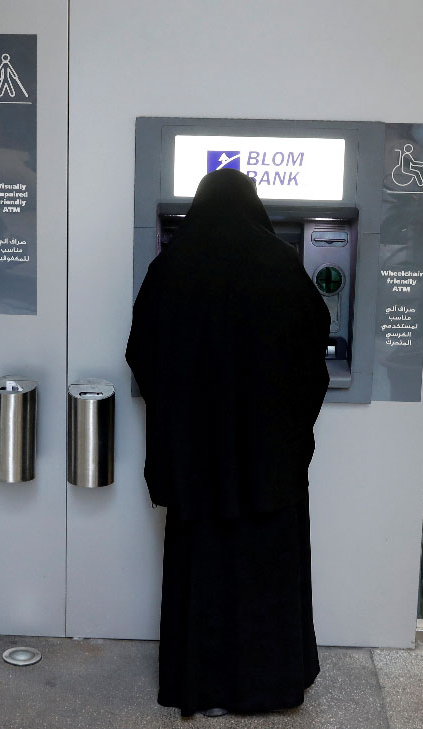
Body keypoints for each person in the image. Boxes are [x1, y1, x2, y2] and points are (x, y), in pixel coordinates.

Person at [126, 169, 330, 717]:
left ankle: (203, 688)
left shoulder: (171, 267)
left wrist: (181, 415)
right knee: (269, 567)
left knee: (202, 569)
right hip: (268, 461)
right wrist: (284, 428)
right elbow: (314, 362)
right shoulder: (282, 265)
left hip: (197, 461)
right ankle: (271, 686)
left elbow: (140, 353)